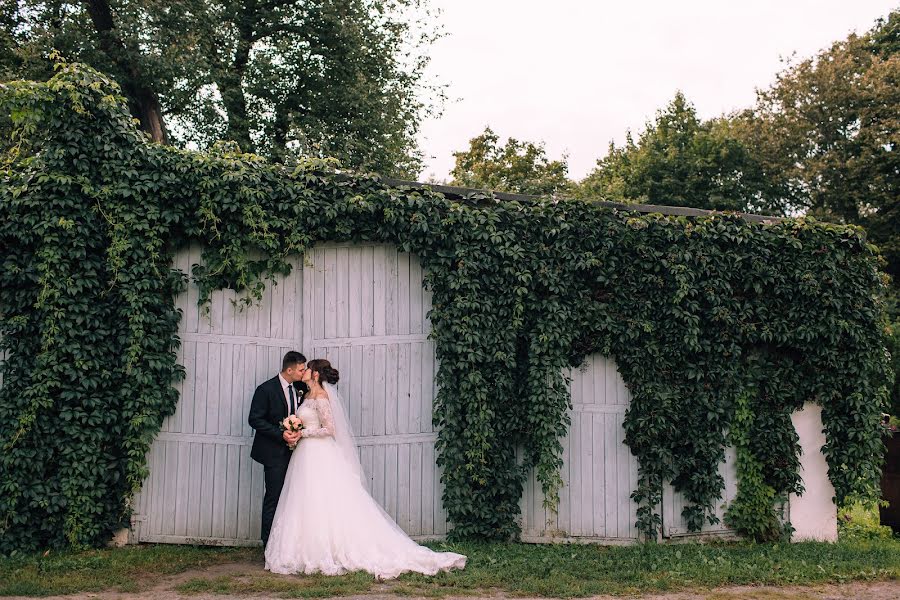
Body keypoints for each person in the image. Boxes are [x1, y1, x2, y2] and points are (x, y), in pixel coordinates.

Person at [264, 359, 466, 579]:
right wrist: (295, 432)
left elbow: (330, 429)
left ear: (314, 374)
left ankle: (328, 548)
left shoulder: (321, 397)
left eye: (308, 368)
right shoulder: (305, 396)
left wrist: (303, 433)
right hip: (304, 455)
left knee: (322, 498)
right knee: (305, 499)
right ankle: (304, 548)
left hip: (319, 453)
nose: (304, 371)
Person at [247, 351, 308, 547]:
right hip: (274, 453)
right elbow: (254, 419)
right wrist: (280, 433)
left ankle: (288, 544)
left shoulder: (299, 387)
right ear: (289, 370)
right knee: (274, 497)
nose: (303, 372)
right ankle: (268, 545)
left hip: (297, 452)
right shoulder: (265, 390)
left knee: (294, 497)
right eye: (301, 369)